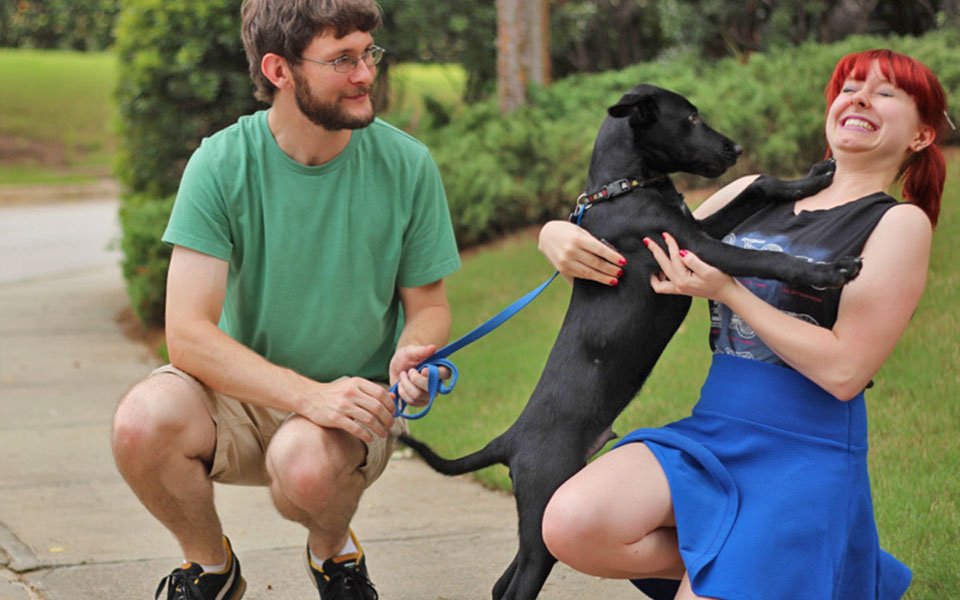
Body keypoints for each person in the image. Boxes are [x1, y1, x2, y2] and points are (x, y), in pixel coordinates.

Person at [537, 49, 949, 599]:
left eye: (885, 92)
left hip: (804, 450)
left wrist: (728, 290)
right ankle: (789, 565)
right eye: (850, 87)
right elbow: (642, 254)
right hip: (714, 431)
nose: (859, 98)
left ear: (921, 135)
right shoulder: (754, 193)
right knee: (570, 523)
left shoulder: (898, 222)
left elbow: (846, 370)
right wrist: (559, 232)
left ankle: (800, 557)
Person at [111, 1, 461, 599]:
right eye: (342, 59)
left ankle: (334, 554)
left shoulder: (407, 165)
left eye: (367, 52)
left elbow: (427, 304)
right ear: (278, 70)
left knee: (305, 462)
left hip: (349, 412)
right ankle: (210, 570)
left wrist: (412, 353)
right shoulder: (221, 164)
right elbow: (188, 335)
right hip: (236, 399)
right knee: (141, 423)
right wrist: (305, 395)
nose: (365, 74)